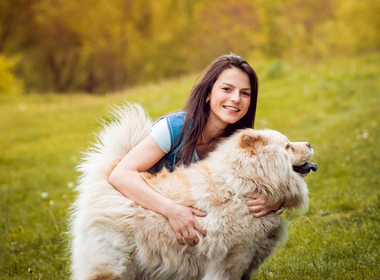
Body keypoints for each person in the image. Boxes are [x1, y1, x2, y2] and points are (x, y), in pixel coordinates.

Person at [108, 54, 283, 247]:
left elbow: (247, 192)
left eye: (245, 93)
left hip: (187, 241)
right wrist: (171, 210)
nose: (236, 99)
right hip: (139, 229)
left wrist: (275, 203)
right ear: (208, 93)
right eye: (227, 89)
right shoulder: (175, 128)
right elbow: (120, 175)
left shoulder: (236, 146)